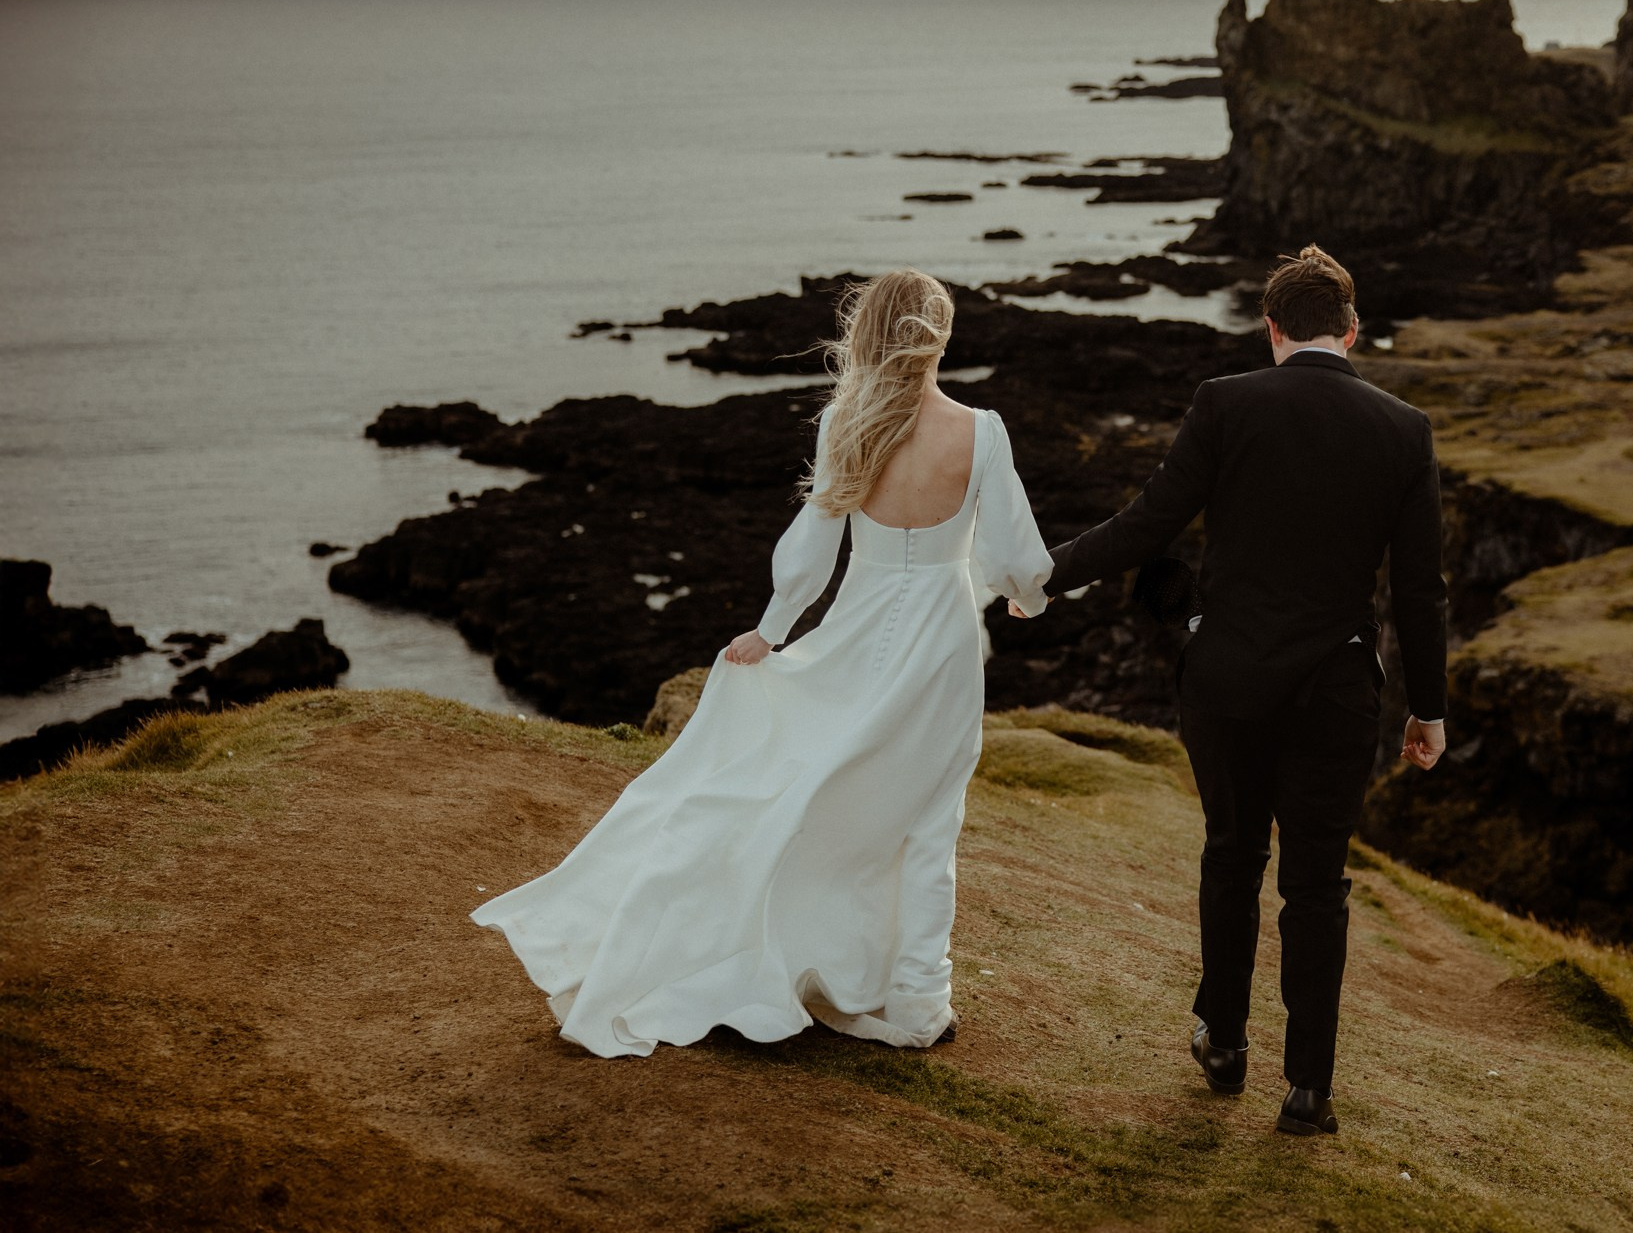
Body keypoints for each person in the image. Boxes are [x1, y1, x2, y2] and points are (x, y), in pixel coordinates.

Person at [472, 270, 1053, 1057]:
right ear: (939, 335)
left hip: (858, 635)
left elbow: (812, 551)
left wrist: (771, 630)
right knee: (925, 824)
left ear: (868, 333)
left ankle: (844, 969)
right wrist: (1025, 596)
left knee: (822, 793)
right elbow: (1019, 554)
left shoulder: (845, 424)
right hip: (944, 647)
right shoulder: (983, 430)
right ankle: (918, 1002)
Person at [1034, 245, 1448, 1136]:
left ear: (1271, 328)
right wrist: (1429, 707)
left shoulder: (1225, 402)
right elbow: (1420, 588)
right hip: (1337, 690)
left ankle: (1224, 1043)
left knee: (1231, 857)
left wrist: (1045, 572)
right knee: (1316, 886)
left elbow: (1149, 521)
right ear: (1352, 329)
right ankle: (1309, 1091)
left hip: (1226, 682)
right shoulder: (1403, 428)